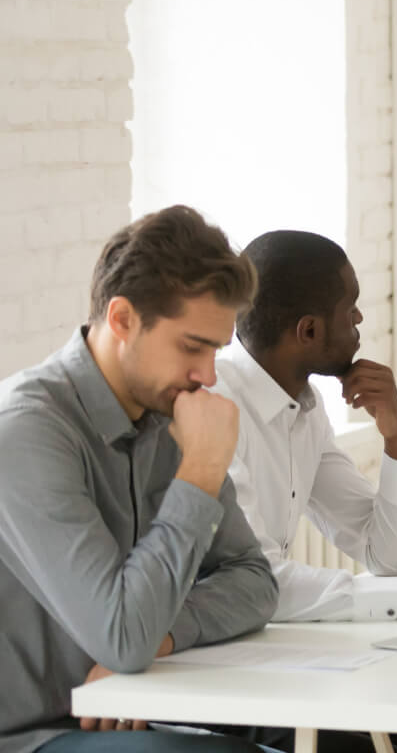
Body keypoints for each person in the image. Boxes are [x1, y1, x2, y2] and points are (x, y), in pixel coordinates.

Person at [0, 206, 277, 753]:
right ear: (123, 319)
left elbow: (255, 581)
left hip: (137, 711)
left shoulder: (169, 412)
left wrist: (162, 636)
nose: (209, 375)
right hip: (35, 734)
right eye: (192, 346)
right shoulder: (28, 433)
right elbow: (124, 638)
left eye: (216, 350)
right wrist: (201, 470)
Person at [215, 230, 397, 623]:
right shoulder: (214, 408)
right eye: (351, 308)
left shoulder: (305, 410)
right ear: (308, 331)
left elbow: (385, 555)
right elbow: (253, 581)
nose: (360, 318)